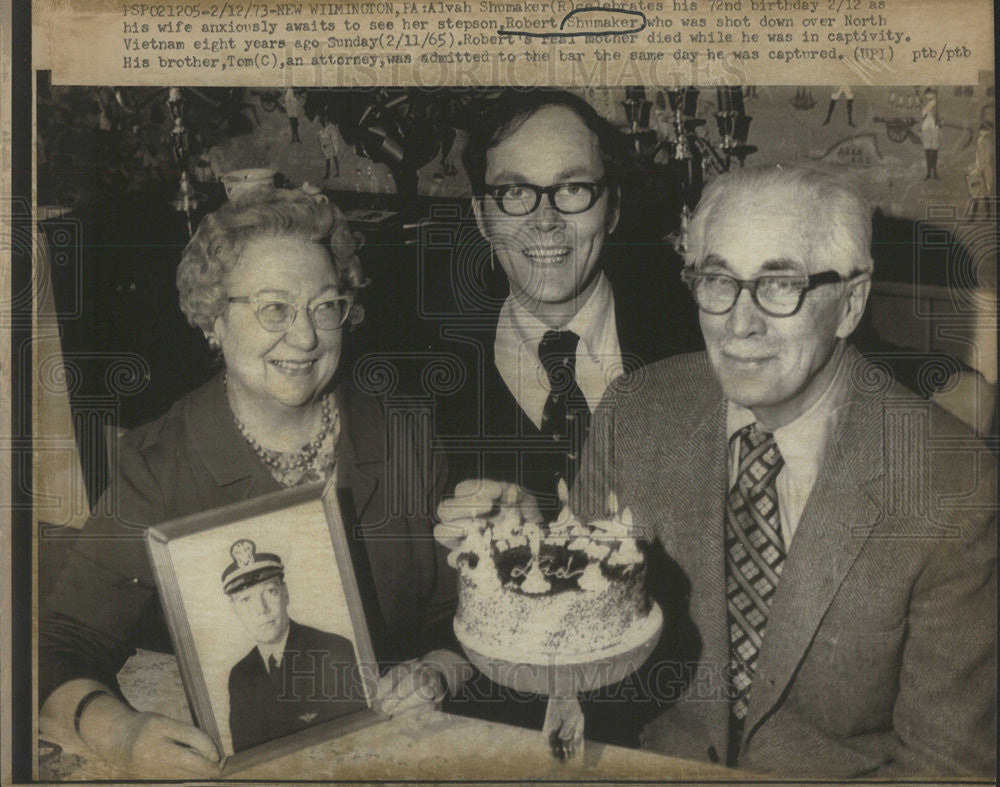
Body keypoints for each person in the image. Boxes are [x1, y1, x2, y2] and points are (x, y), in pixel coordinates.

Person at [440, 166, 996, 776]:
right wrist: (533, 556)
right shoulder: (636, 412)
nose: (739, 323)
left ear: (852, 301)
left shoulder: (951, 484)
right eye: (718, 280)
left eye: (780, 284)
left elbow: (947, 769)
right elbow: (577, 657)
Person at [39, 187, 465, 778]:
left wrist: (437, 670)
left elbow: (461, 611)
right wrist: (123, 734)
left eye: (323, 305)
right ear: (214, 319)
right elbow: (62, 638)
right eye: (273, 308)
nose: (306, 337)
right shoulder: (159, 463)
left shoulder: (407, 437)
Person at [442, 88, 696, 520]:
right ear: (483, 216)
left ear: (611, 208)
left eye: (573, 188)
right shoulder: (430, 385)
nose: (545, 221)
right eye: (516, 192)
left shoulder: (694, 345)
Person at [222, 540, 360, 752]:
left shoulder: (333, 650)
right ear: (235, 610)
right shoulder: (240, 677)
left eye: (270, 592)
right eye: (246, 600)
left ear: (285, 593)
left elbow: (356, 739)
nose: (261, 610)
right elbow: (246, 759)